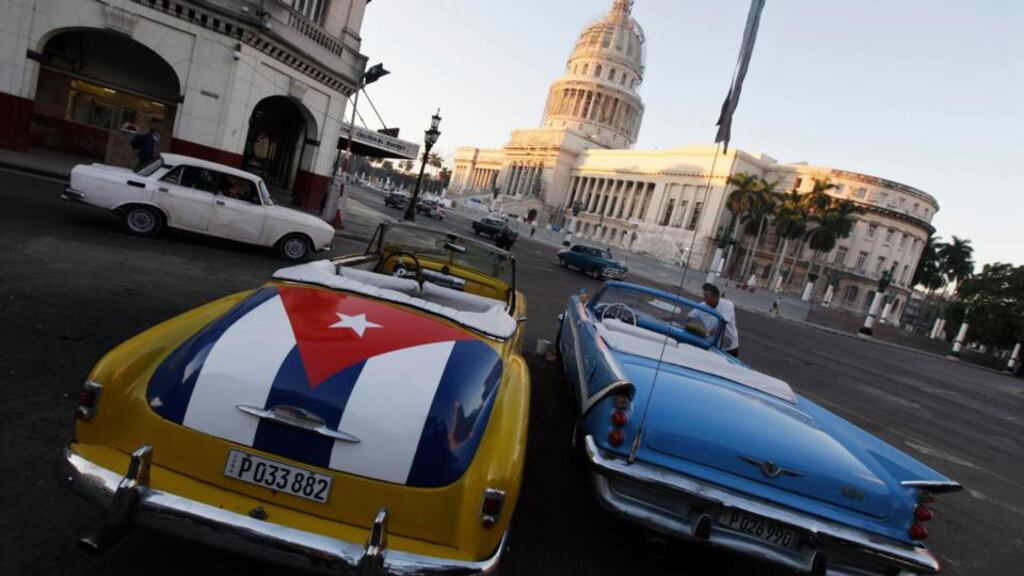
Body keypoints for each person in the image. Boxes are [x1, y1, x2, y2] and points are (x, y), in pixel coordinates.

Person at [694, 283, 740, 358]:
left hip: (727, 346)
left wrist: (705, 334)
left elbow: (721, 325)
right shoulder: (703, 305)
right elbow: (688, 317)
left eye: (707, 296)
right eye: (704, 295)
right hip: (710, 344)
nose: (704, 298)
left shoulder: (727, 305)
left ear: (716, 297)